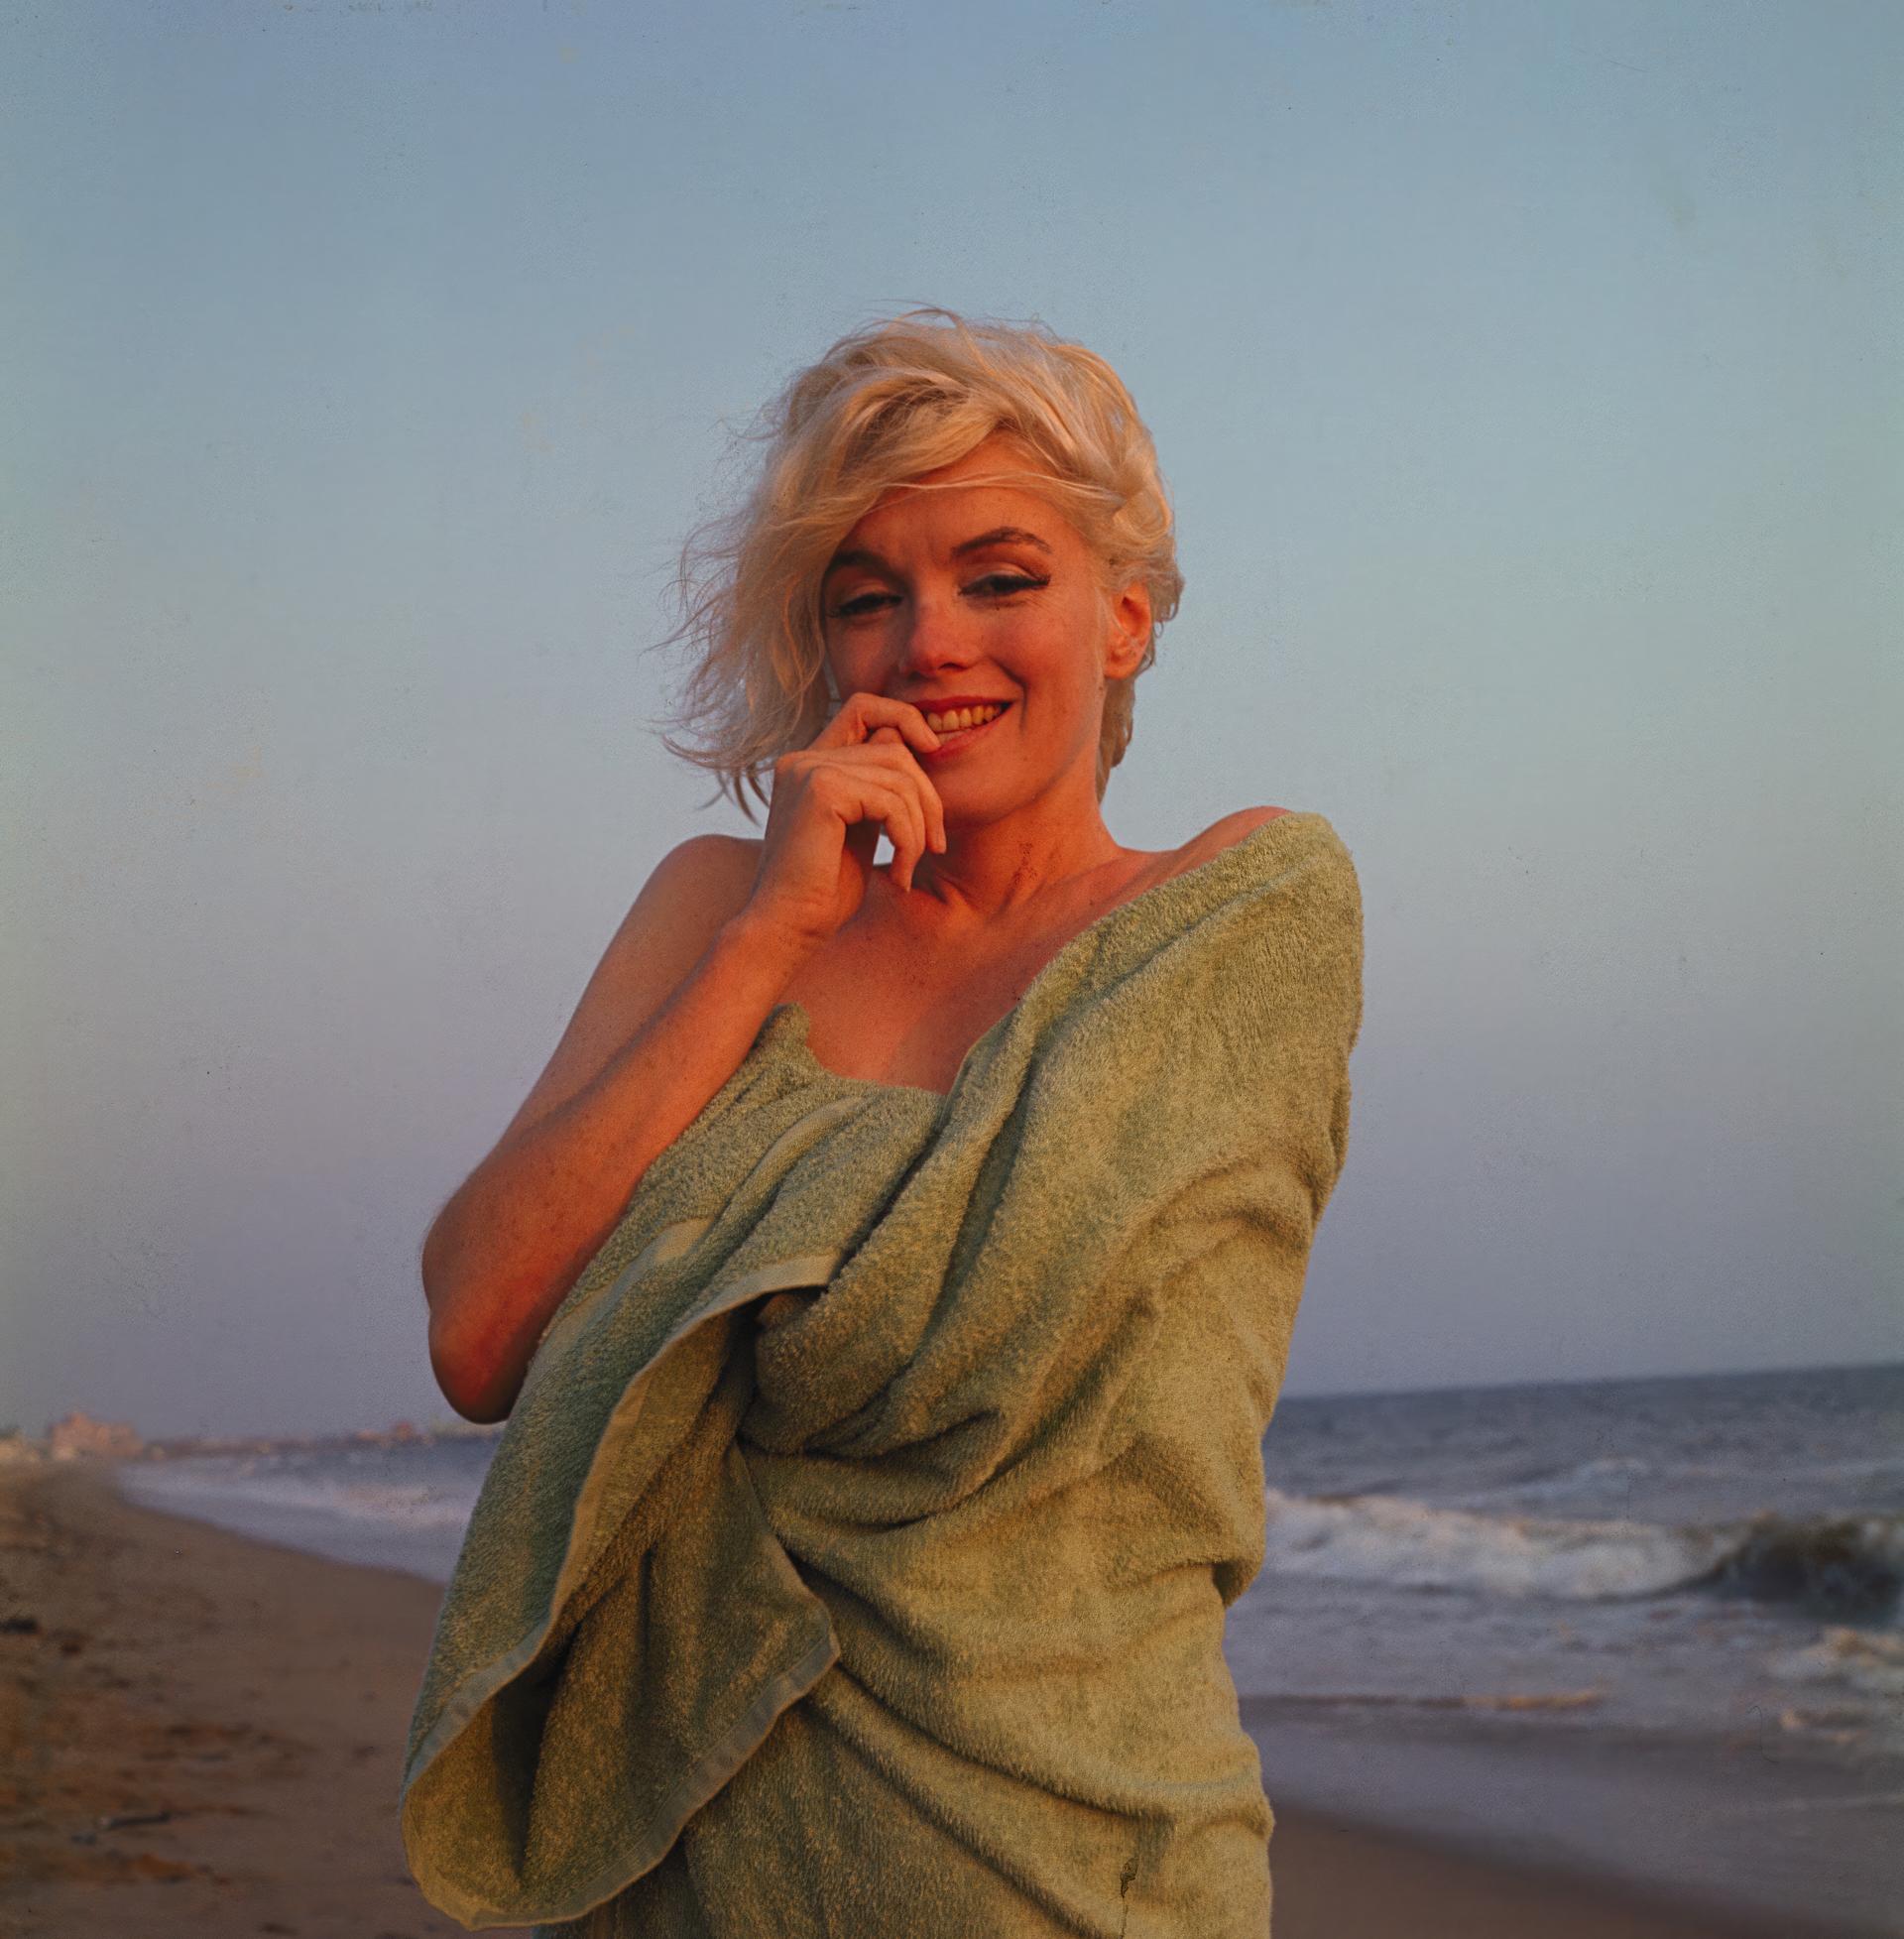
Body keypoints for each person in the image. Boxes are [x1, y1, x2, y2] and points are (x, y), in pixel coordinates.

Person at [410, 307, 1363, 1935]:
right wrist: (768, 940)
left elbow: (1000, 1360)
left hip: (1077, 1855)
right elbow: (480, 1332)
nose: (931, 643)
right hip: (688, 1854)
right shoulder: (716, 910)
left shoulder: (1234, 918)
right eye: (869, 598)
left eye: (1001, 579)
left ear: (1124, 620)